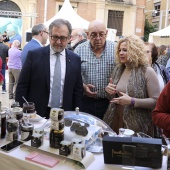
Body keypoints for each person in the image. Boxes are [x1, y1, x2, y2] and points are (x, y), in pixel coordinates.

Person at [15, 19, 83, 118]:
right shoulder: (34, 56)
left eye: (63, 38)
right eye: (55, 37)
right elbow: (22, 86)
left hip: (65, 114)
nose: (58, 42)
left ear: (69, 38)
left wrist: (77, 115)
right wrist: (22, 113)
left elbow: (78, 90)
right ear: (49, 36)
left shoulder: (75, 59)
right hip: (36, 115)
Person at [103, 35, 160, 136]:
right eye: (119, 50)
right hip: (116, 117)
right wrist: (109, 91)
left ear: (135, 51)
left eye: (125, 50)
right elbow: (113, 99)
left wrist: (132, 101)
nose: (121, 53)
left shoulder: (147, 71)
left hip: (138, 123)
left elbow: (156, 102)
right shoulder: (118, 69)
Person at [74, 20, 116, 120]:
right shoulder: (79, 50)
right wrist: (83, 86)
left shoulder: (115, 49)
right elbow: (73, 75)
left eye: (101, 34)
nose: (98, 38)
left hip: (109, 102)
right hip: (85, 102)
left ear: (106, 33)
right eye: (93, 35)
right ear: (88, 35)